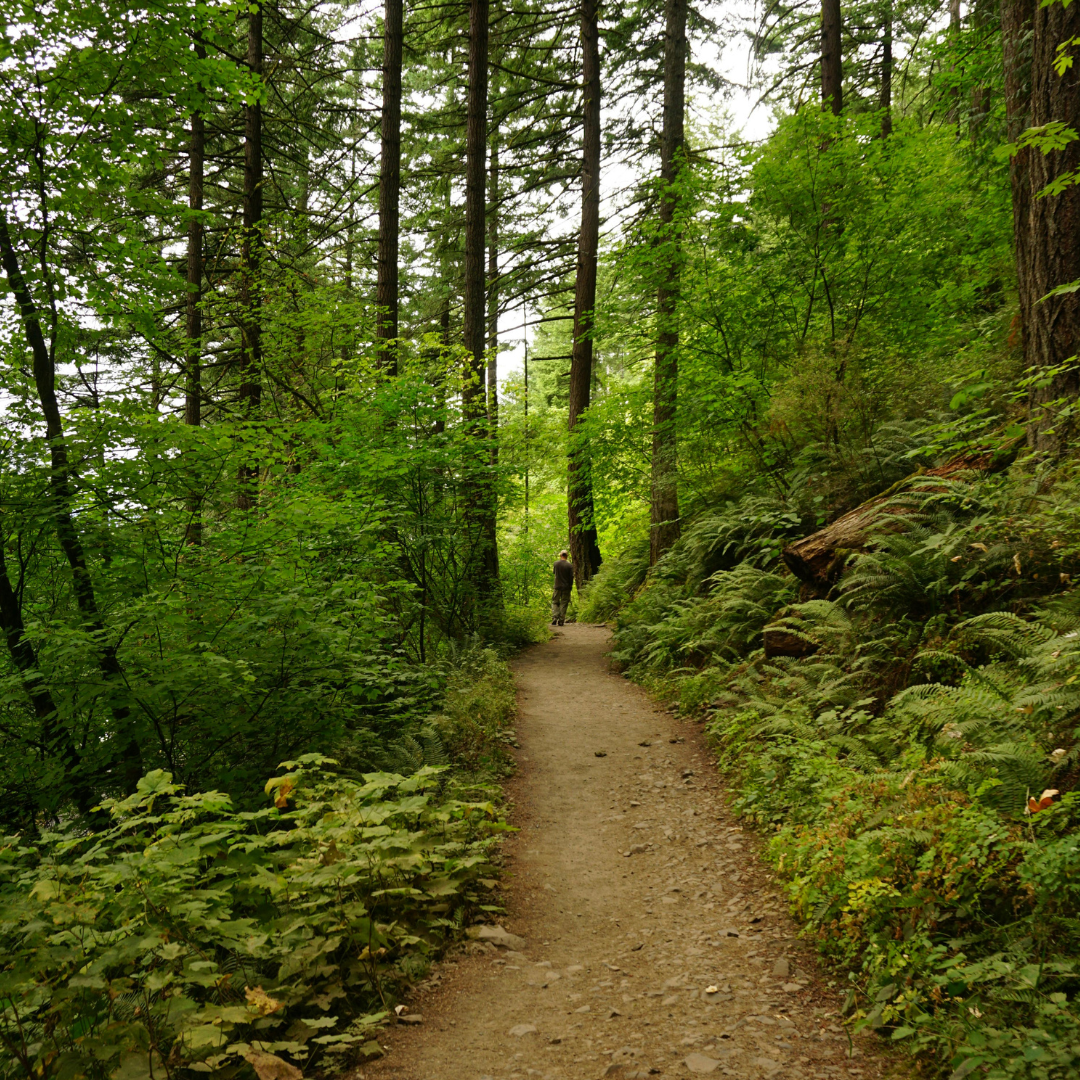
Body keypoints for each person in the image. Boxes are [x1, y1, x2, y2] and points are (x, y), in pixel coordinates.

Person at [551, 550, 573, 626]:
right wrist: (570, 586)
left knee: (555, 602)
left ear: (560, 555)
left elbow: (554, 573)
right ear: (566, 556)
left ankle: (555, 617)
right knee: (564, 603)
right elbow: (571, 577)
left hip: (557, 586)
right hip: (566, 587)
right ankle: (561, 620)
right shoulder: (569, 565)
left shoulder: (556, 564)